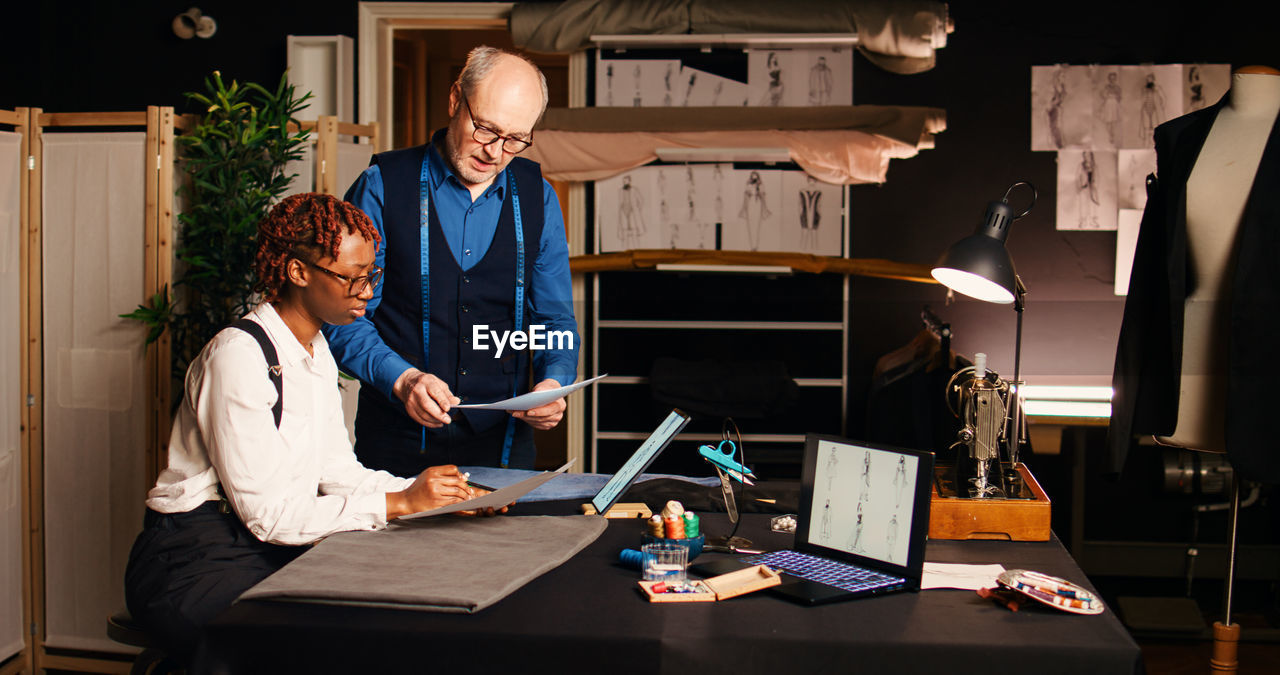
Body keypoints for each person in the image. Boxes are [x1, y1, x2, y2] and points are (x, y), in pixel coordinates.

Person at [124, 193, 501, 662]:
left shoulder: (316, 349)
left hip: (268, 545)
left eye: (372, 275)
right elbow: (270, 516)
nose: (367, 291)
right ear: (298, 272)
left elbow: (337, 472)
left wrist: (431, 496)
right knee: (312, 643)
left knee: (394, 616)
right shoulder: (237, 356)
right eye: (352, 277)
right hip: (193, 560)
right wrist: (400, 504)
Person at [327, 46, 579, 476]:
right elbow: (342, 316)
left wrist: (554, 382)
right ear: (453, 101)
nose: (495, 152)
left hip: (503, 451)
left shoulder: (541, 198)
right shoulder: (381, 186)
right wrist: (403, 379)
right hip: (395, 449)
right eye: (485, 128)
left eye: (515, 139)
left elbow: (555, 321)